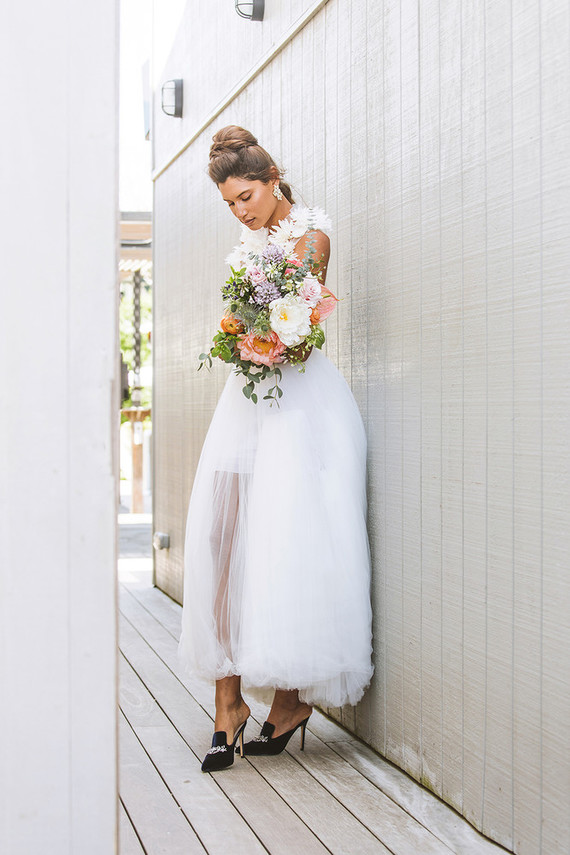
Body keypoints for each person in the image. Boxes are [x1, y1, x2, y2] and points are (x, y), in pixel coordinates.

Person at [178, 125, 373, 772]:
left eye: (248, 195)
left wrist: (263, 336)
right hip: (248, 399)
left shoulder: (311, 232)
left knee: (292, 541)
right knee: (222, 534)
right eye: (230, 202)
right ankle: (226, 700)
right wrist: (237, 338)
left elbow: (301, 324)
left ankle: (287, 699)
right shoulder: (246, 241)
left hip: (303, 405)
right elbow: (245, 320)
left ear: (272, 178)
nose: (242, 210)